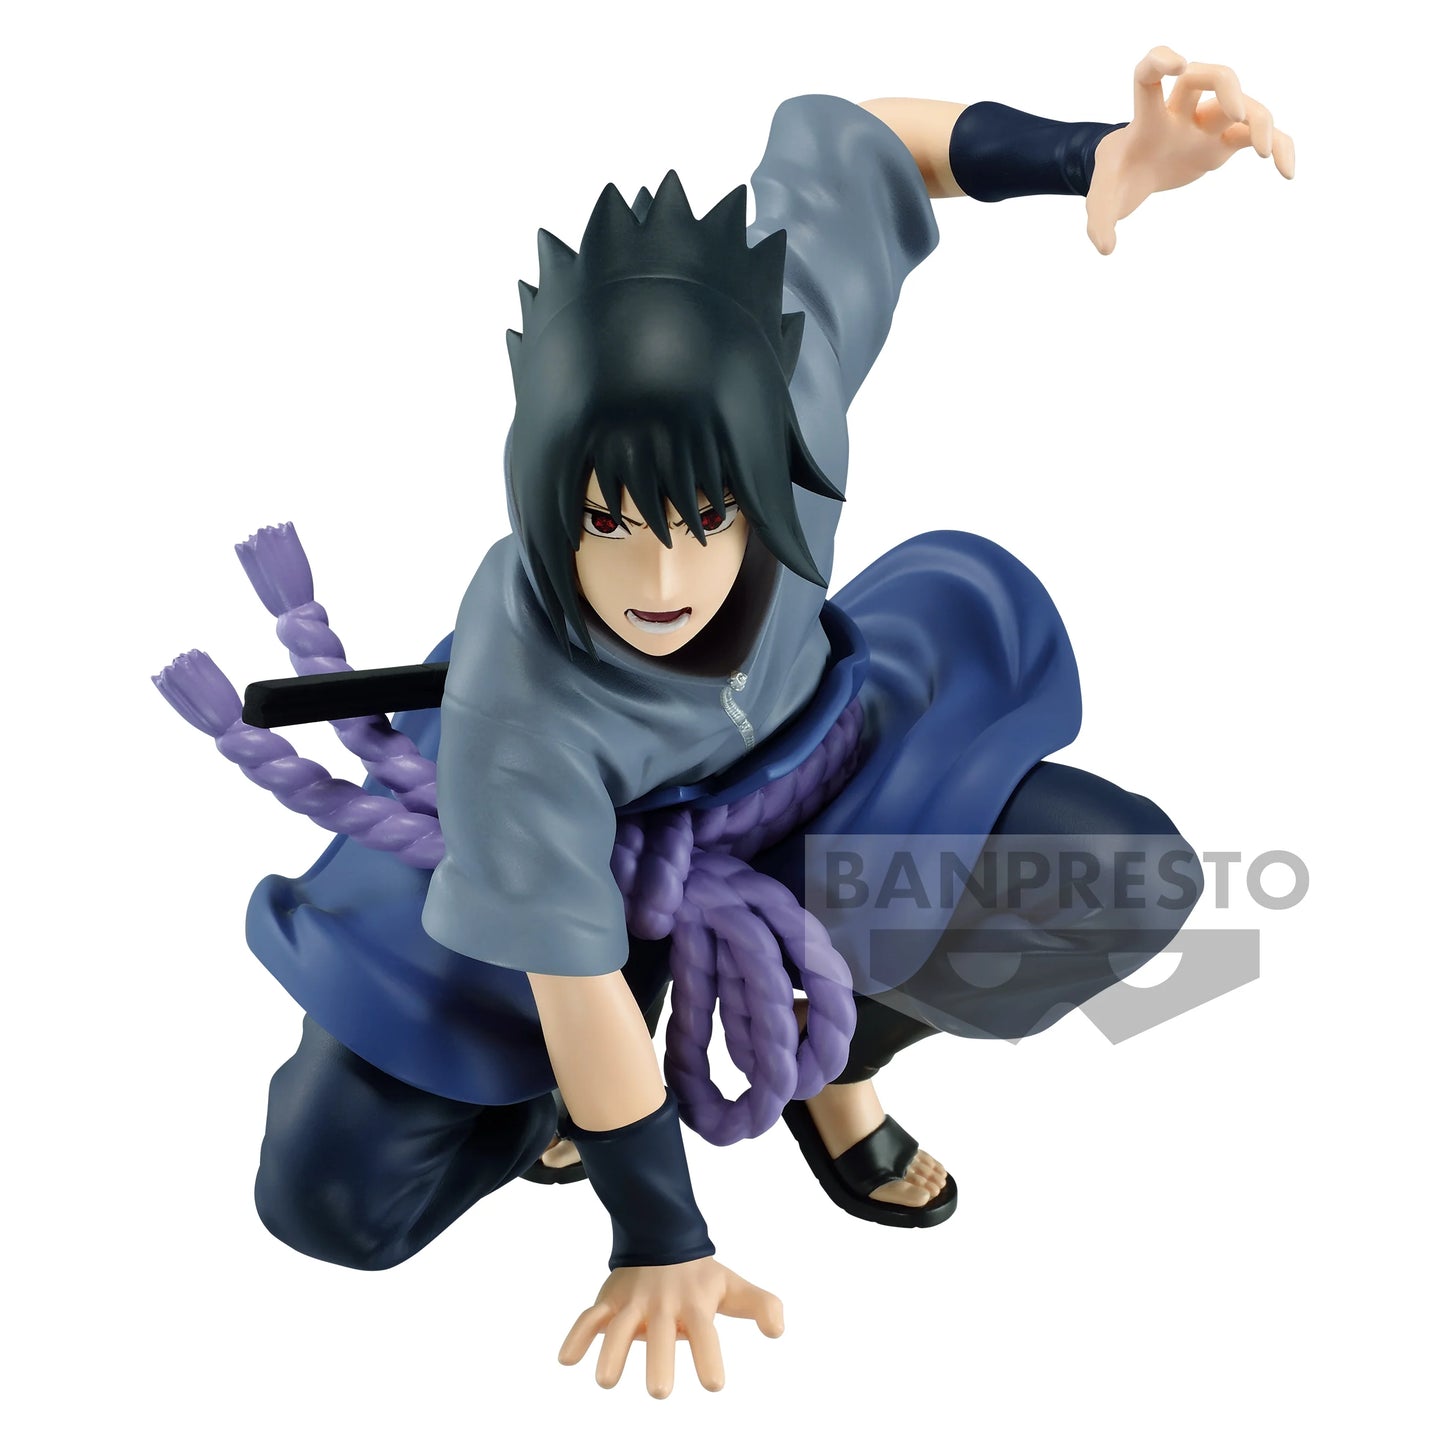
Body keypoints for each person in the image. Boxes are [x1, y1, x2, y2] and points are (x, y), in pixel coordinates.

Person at [155, 48, 1293, 1397]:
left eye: (706, 519)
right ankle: (541, 1109)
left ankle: (828, 1056)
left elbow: (869, 140)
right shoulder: (521, 706)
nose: (660, 579)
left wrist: (1087, 153)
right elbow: (576, 990)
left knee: (1119, 876)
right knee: (335, 1199)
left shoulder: (778, 381)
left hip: (807, 770)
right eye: (604, 522)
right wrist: (660, 1232)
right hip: (556, 858)